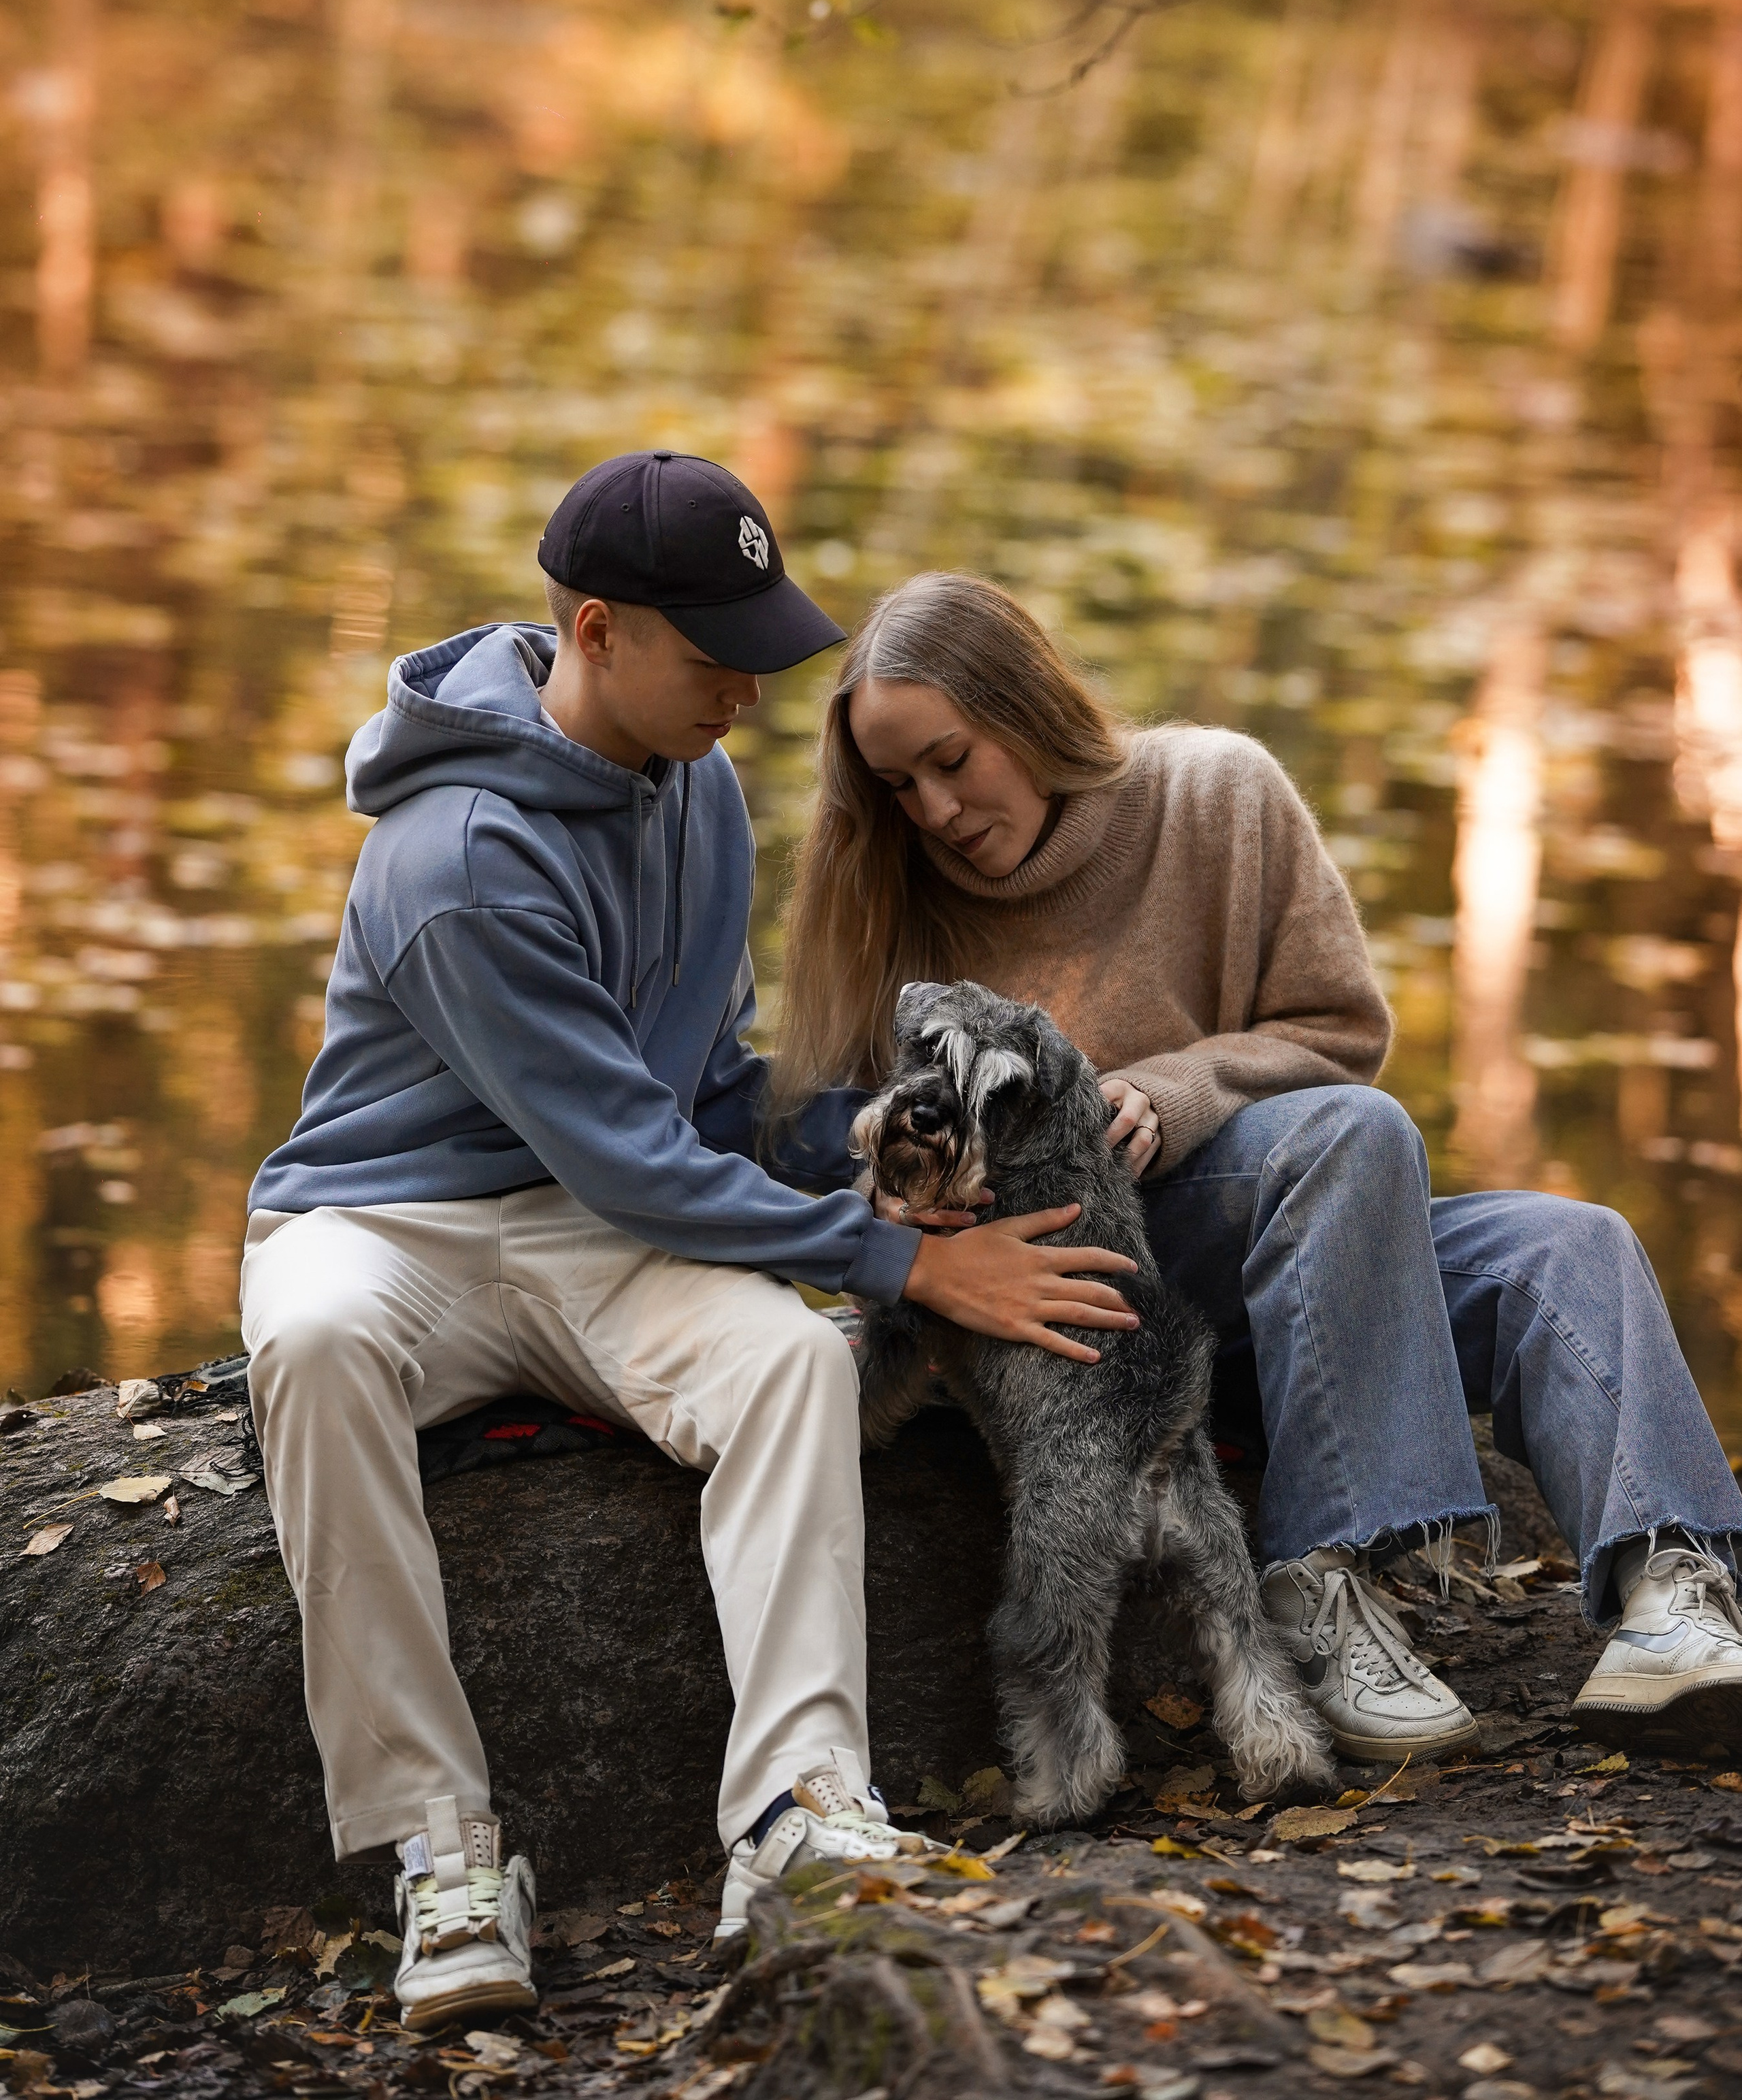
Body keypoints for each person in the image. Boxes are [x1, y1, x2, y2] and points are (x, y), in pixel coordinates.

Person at [242, 458, 1142, 2033]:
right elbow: (634, 1152)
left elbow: (707, 1088)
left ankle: (798, 1812)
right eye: (714, 649)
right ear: (595, 630)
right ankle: (438, 1845)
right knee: (312, 1345)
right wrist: (911, 1268)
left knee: (790, 1360)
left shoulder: (695, 785)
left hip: (594, 1230)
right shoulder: (456, 860)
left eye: (758, 638)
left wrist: (879, 1158)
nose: (750, 680)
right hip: (382, 1220)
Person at [777, 570, 1742, 1765]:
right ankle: (1321, 1588)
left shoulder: (1216, 793)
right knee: (1358, 1135)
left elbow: (1339, 1033)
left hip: (1282, 1255)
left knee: (1569, 1242)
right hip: (1084, 1301)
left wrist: (1179, 1088)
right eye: (896, 784)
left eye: (951, 759)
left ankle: (1670, 1603)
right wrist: (906, 1218)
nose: (931, 809)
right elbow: (834, 1138)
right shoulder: (884, 894)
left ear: (1027, 709)